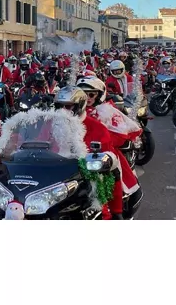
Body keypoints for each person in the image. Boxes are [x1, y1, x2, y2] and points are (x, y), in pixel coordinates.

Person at [53, 86, 124, 219]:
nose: (62, 111)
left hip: (86, 185)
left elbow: (110, 168)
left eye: (68, 106)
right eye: (59, 106)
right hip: (54, 181)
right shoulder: (50, 125)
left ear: (79, 106)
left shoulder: (98, 129)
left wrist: (116, 209)